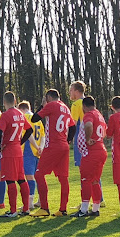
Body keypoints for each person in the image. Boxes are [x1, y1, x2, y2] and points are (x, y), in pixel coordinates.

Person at [30, 89, 76, 217]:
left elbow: (34, 118)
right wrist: (67, 140)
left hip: (53, 146)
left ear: (48, 98)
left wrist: (42, 106)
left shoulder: (51, 105)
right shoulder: (65, 108)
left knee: (39, 175)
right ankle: (62, 209)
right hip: (64, 146)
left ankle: (44, 208)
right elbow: (73, 127)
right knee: (63, 178)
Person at [0, 91, 33, 217]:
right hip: (18, 150)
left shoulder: (5, 115)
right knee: (21, 179)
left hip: (9, 151)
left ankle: (13, 210)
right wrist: (21, 141)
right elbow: (30, 129)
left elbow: (0, 132)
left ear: (4, 102)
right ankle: (26, 208)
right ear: (15, 101)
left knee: (10, 181)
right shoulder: (20, 114)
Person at [71, 96, 107, 217]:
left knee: (85, 179)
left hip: (92, 152)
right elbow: (105, 131)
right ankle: (95, 209)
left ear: (84, 106)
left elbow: (88, 125)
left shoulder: (89, 114)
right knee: (95, 181)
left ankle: (84, 209)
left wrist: (88, 139)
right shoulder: (99, 114)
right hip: (101, 150)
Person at [18, 100, 44, 209]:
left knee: (29, 176)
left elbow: (28, 134)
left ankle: (29, 202)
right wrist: (41, 147)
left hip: (29, 149)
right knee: (37, 176)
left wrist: (35, 146)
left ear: (22, 110)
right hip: (38, 152)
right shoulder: (38, 120)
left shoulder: (26, 118)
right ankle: (41, 200)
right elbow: (43, 135)